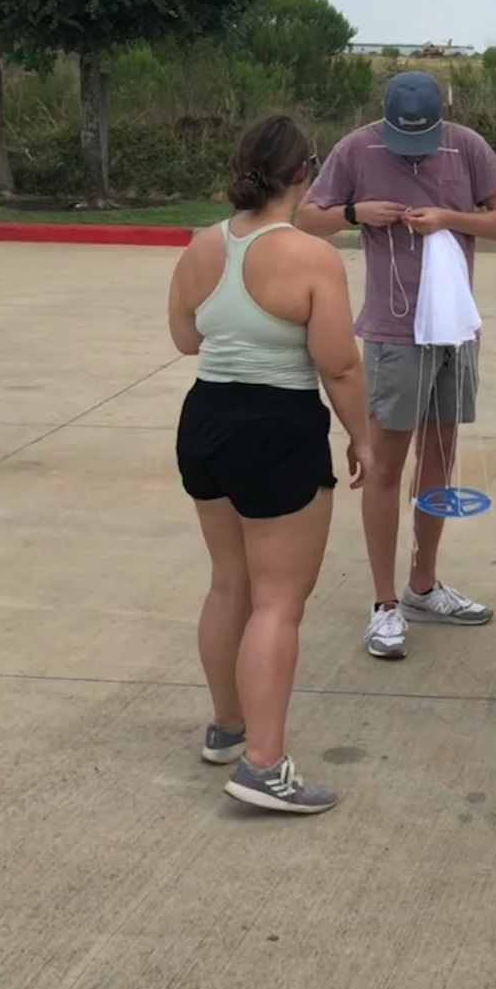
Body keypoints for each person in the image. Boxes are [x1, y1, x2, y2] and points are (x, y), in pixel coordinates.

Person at [168, 115, 372, 815]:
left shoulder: (201, 245)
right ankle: (264, 764)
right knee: (279, 601)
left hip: (205, 422)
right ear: (303, 174)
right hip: (277, 427)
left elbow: (186, 338)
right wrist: (364, 436)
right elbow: (339, 364)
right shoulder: (311, 256)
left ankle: (228, 726)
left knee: (230, 583)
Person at [297, 71, 496, 659]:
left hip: (454, 328)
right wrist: (355, 212)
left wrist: (452, 218)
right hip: (394, 334)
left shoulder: (467, 146)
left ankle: (423, 585)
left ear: (441, 119)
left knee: (439, 459)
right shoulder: (357, 147)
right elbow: (305, 216)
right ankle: (383, 604)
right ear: (387, 119)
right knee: (384, 464)